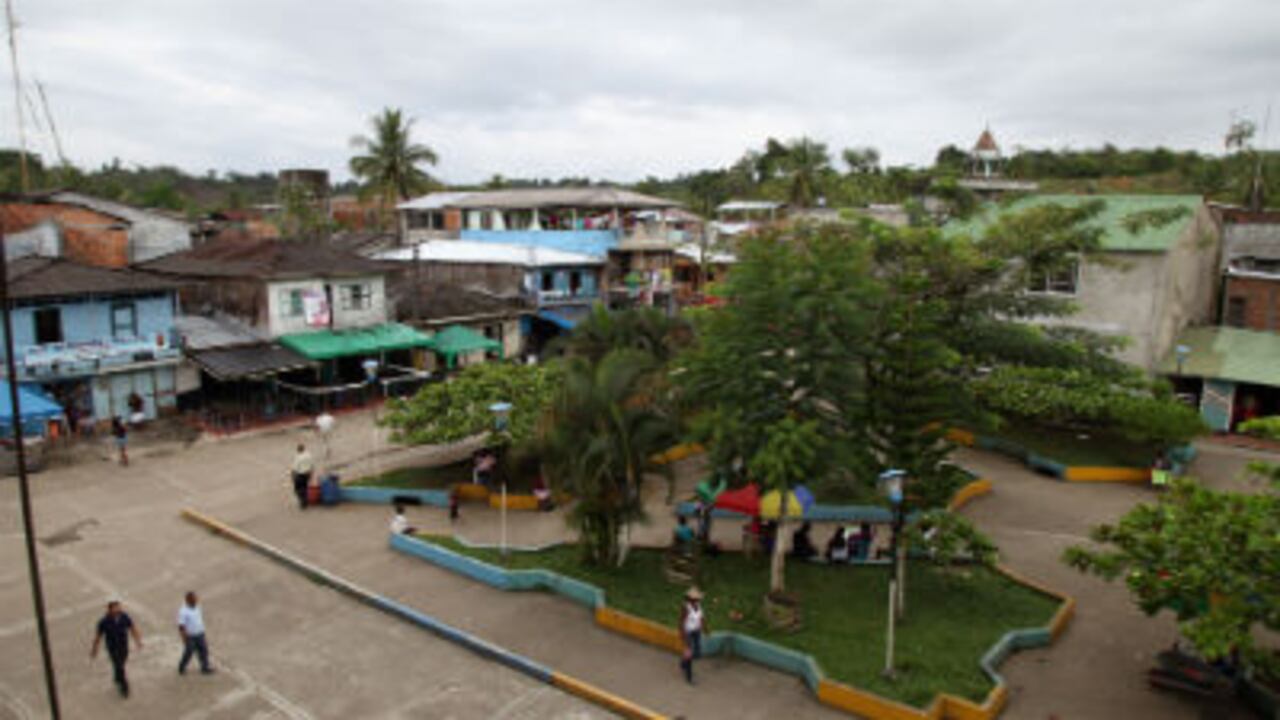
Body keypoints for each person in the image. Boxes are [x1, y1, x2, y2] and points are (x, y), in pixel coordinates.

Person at [91, 600, 142, 697]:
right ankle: (124, 687)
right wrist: (95, 649)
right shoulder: (104, 621)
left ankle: (117, 676)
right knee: (120, 665)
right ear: (110, 609)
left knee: (122, 662)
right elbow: (98, 636)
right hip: (112, 647)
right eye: (116, 608)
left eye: (119, 607)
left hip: (123, 645)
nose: (118, 609)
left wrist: (137, 641)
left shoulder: (124, 617)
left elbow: (132, 628)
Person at [177, 591, 213, 675]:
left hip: (200, 633)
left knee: (204, 650)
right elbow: (181, 626)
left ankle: (205, 667)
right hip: (190, 636)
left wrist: (202, 630)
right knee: (189, 652)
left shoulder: (198, 607)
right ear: (188, 600)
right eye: (193, 598)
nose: (196, 600)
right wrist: (184, 637)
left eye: (195, 598)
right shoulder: (183, 611)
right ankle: (182, 666)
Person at [679, 587, 706, 684]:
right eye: (696, 599)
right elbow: (681, 622)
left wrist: (705, 629)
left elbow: (702, 618)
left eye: (698, 599)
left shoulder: (699, 606)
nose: (698, 600)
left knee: (698, 653)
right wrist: (682, 635)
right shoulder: (686, 608)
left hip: (697, 631)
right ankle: (689, 677)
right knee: (689, 654)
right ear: (690, 599)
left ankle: (683, 662)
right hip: (688, 632)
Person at [291, 443, 313, 510]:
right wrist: (311, 474)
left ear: (298, 450)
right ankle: (305, 502)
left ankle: (302, 502)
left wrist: (292, 476)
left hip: (300, 475)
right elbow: (312, 465)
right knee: (305, 488)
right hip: (307, 473)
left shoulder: (298, 457)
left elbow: (295, 468)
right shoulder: (309, 455)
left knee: (297, 489)